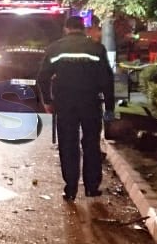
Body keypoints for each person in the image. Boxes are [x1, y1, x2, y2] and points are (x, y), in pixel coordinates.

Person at [36, 17, 116, 202]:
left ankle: (71, 188)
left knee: (68, 144)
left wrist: (48, 100)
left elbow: (42, 77)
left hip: (65, 104)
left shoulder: (56, 48)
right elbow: (107, 80)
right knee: (91, 144)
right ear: (83, 28)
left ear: (66, 29)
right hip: (90, 103)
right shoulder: (96, 48)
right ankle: (91, 187)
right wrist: (110, 108)